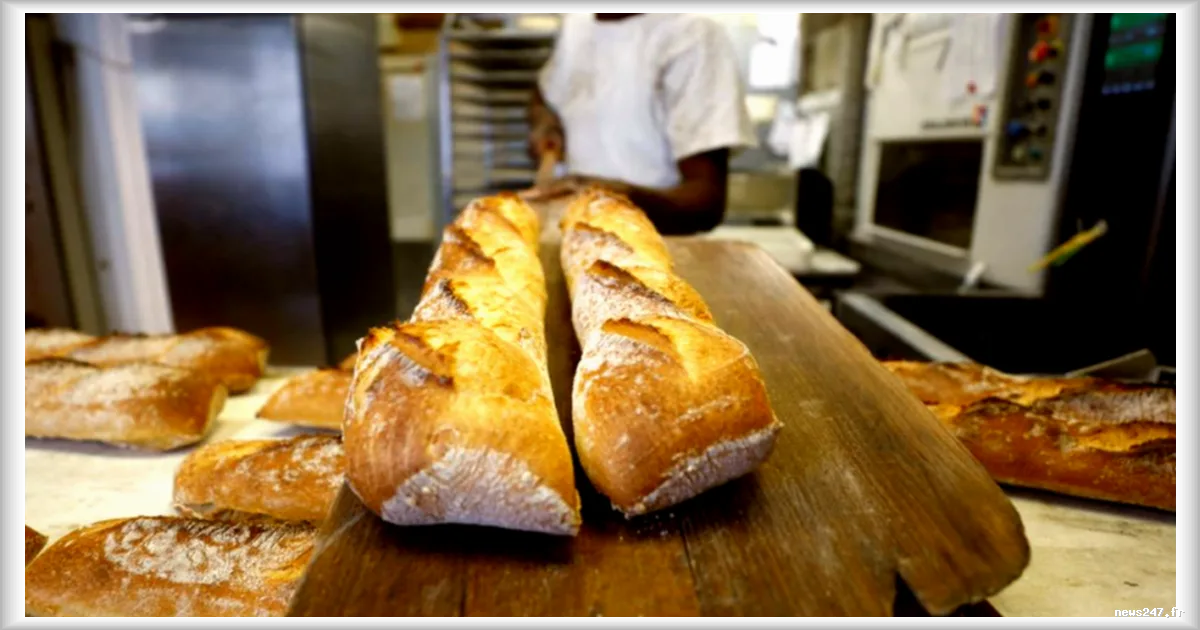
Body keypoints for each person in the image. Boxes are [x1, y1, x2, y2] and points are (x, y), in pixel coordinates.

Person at [524, 13, 757, 235]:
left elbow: (705, 203)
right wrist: (544, 122)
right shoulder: (577, 25)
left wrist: (613, 200)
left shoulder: (693, 37)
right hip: (577, 236)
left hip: (659, 250)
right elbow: (543, 94)